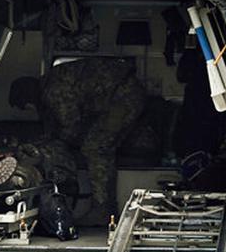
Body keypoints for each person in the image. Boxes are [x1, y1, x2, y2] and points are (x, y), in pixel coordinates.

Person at [10, 57, 146, 223]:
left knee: (95, 148)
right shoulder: (52, 80)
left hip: (124, 96)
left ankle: (103, 209)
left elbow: (71, 125)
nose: (30, 110)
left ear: (29, 97)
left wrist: (54, 143)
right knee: (96, 142)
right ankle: (105, 207)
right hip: (123, 92)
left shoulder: (53, 91)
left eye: (26, 106)